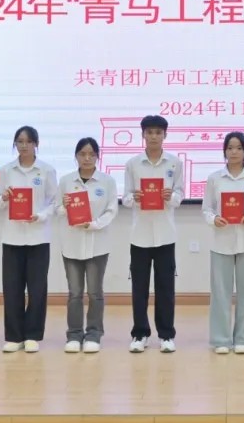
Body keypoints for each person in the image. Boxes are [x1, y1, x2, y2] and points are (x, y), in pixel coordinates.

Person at [202, 132, 244, 354]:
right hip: (221, 242)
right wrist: (214, 219)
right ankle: (221, 339)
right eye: (230, 148)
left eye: (239, 148)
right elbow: (206, 209)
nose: (234, 152)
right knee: (220, 293)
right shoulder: (215, 178)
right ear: (224, 151)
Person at [0, 126, 58, 354]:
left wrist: (40, 216)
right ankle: (14, 336)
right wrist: (4, 197)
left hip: (38, 237)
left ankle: (32, 335)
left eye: (29, 141)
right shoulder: (6, 170)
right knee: (12, 288)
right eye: (19, 141)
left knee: (37, 289)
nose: (24, 145)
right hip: (12, 237)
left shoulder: (46, 170)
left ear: (36, 144)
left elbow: (55, 202)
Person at [121, 115, 183, 353]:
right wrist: (134, 198)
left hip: (166, 235)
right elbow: (126, 198)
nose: (154, 136)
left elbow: (180, 195)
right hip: (140, 235)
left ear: (165, 135)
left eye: (158, 132)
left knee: (166, 288)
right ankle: (140, 334)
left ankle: (166, 335)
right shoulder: (133, 164)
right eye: (150, 132)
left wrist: (171, 197)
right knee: (139, 288)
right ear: (143, 135)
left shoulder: (174, 163)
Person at [57, 137, 119, 354]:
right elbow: (57, 209)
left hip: (97, 244)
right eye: (82, 154)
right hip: (71, 244)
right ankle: (74, 335)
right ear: (76, 156)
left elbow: (112, 210)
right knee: (74, 293)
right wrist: (65, 206)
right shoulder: (66, 181)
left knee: (94, 292)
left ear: (97, 157)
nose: (86, 158)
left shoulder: (107, 181)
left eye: (91, 154)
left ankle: (94, 334)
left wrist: (94, 224)